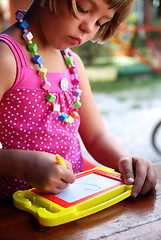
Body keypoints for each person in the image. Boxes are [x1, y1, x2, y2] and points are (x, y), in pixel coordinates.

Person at [0, 0, 156, 199]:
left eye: (101, 21)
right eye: (82, 8)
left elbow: (96, 137)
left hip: (72, 206)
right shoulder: (6, 57)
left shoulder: (73, 63)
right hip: (16, 213)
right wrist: (23, 167)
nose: (89, 27)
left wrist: (125, 161)